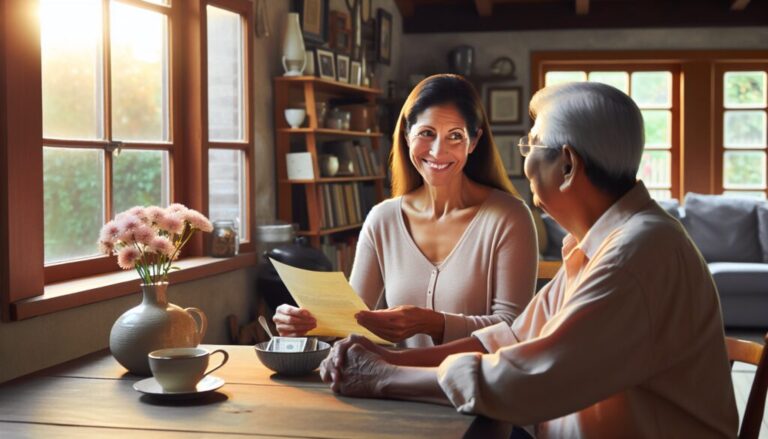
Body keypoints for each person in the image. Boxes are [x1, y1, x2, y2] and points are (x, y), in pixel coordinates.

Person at [318, 82, 739, 437]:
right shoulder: (605, 243)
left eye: (532, 145)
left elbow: (522, 381)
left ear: (568, 164)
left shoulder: (635, 255)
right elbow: (514, 339)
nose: (525, 160)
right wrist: (391, 358)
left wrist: (384, 378)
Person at [273, 74, 538, 347]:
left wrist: (431, 323)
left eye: (455, 136)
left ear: (473, 141)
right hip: (394, 384)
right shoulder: (382, 219)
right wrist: (307, 322)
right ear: (406, 136)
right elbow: (352, 320)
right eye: (426, 133)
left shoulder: (510, 217)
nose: (438, 151)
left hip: (476, 386)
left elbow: (513, 327)